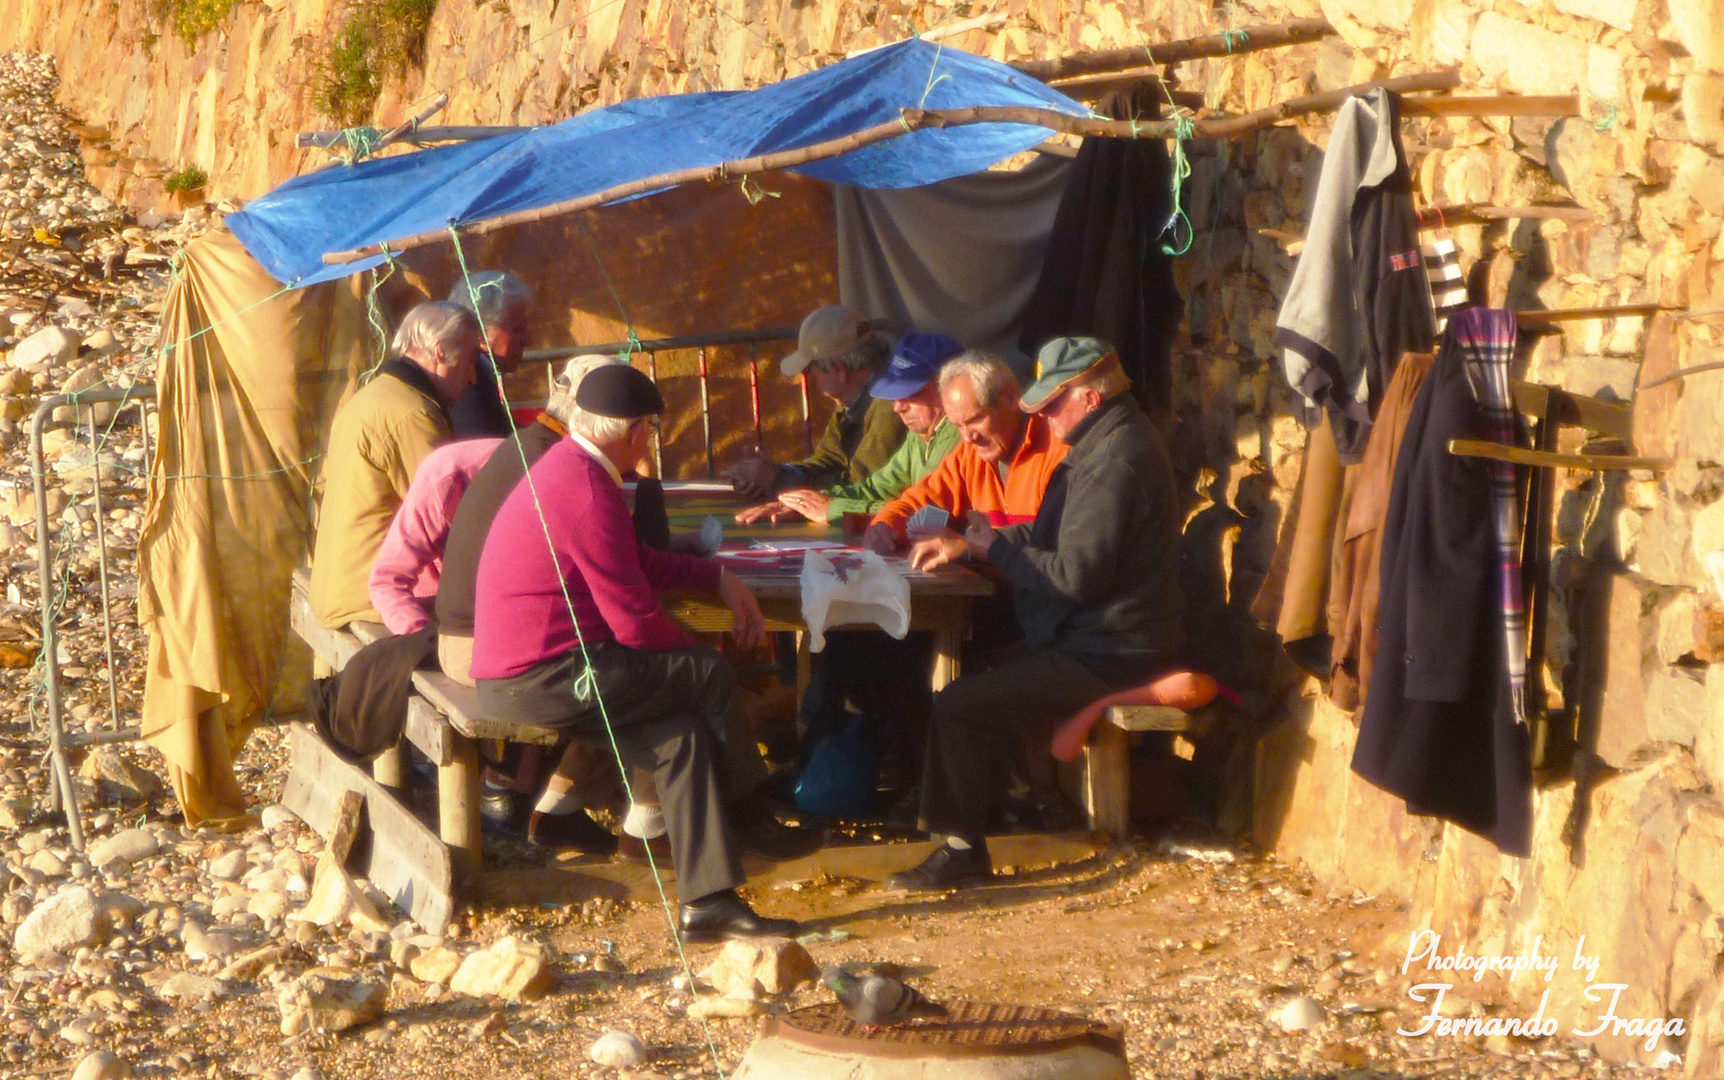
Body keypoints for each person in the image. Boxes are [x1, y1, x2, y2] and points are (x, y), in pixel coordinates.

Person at [471, 363, 799, 940]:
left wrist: (712, 576)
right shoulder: (585, 490)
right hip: (547, 675)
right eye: (651, 429)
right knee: (708, 673)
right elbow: (636, 625)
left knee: (681, 737)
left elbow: (635, 564)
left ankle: (708, 900)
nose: (651, 442)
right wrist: (695, 649)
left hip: (531, 669)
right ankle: (752, 811)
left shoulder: (572, 470)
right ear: (635, 432)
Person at [887, 338, 1186, 891]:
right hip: (1099, 637)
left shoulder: (1113, 459)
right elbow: (1049, 536)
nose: (1042, 415)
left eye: (1052, 404)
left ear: (1090, 397)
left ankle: (961, 851)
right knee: (976, 675)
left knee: (960, 703)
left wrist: (991, 550)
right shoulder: (1100, 444)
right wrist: (976, 542)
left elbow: (1075, 574)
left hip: (1115, 649)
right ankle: (997, 811)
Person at [310, 301, 479, 629]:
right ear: (442, 351)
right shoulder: (412, 415)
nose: (473, 377)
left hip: (337, 585)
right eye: (472, 359)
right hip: (371, 598)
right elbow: (453, 521)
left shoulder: (373, 396)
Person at [736, 332, 964, 525]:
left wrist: (832, 508)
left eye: (911, 392)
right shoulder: (921, 432)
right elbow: (874, 488)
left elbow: (931, 517)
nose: (897, 407)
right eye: (894, 394)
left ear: (950, 390)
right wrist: (802, 502)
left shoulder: (960, 437)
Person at [862, 350, 1067, 560]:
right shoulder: (969, 456)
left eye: (975, 420)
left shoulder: (1057, 450)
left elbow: (1061, 538)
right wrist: (886, 524)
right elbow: (922, 499)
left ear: (1011, 398)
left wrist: (970, 546)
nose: (968, 437)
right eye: (957, 426)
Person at [724, 305, 904, 499]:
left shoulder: (892, 404)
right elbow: (828, 461)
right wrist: (777, 473)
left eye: (811, 372)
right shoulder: (850, 401)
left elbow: (861, 485)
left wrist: (777, 481)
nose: (811, 381)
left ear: (838, 369)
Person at [447, 271, 534, 438]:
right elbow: (491, 451)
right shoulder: (467, 386)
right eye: (517, 330)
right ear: (480, 335)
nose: (527, 341)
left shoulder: (478, 374)